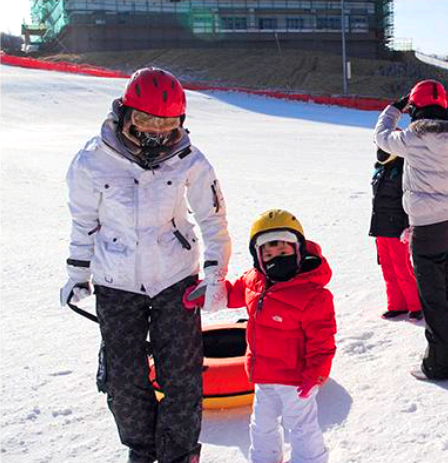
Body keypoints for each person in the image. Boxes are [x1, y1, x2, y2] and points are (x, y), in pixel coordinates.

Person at [61, 67, 231, 463]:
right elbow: (83, 223)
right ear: (124, 114)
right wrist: (77, 275)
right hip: (115, 280)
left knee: (182, 376)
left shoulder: (190, 160)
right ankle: (142, 449)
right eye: (145, 121)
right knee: (124, 378)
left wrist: (214, 275)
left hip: (175, 278)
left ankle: (179, 454)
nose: (155, 132)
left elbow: (213, 220)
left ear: (180, 123)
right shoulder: (91, 162)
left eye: (166, 123)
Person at [374, 79, 448, 381]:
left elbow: (381, 136)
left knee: (434, 303)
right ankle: (443, 354)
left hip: (427, 235)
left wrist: (394, 108)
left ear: (414, 108)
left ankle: (439, 364)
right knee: (445, 297)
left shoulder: (412, 138)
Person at [222, 209, 336, 463]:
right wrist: (206, 292)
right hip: (263, 373)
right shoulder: (255, 282)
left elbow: (323, 342)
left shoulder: (312, 295)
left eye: (283, 253)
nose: (276, 259)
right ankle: (264, 458)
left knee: (301, 428)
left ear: (298, 251)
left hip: (297, 379)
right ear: (258, 257)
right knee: (261, 425)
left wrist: (315, 374)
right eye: (269, 254)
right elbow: (232, 295)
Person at [369, 145, 423, 320]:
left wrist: (409, 226)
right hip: (380, 226)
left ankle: (416, 306)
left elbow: (411, 200)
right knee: (387, 268)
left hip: (398, 229)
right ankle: (397, 305)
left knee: (403, 269)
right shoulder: (380, 168)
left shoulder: (406, 170)